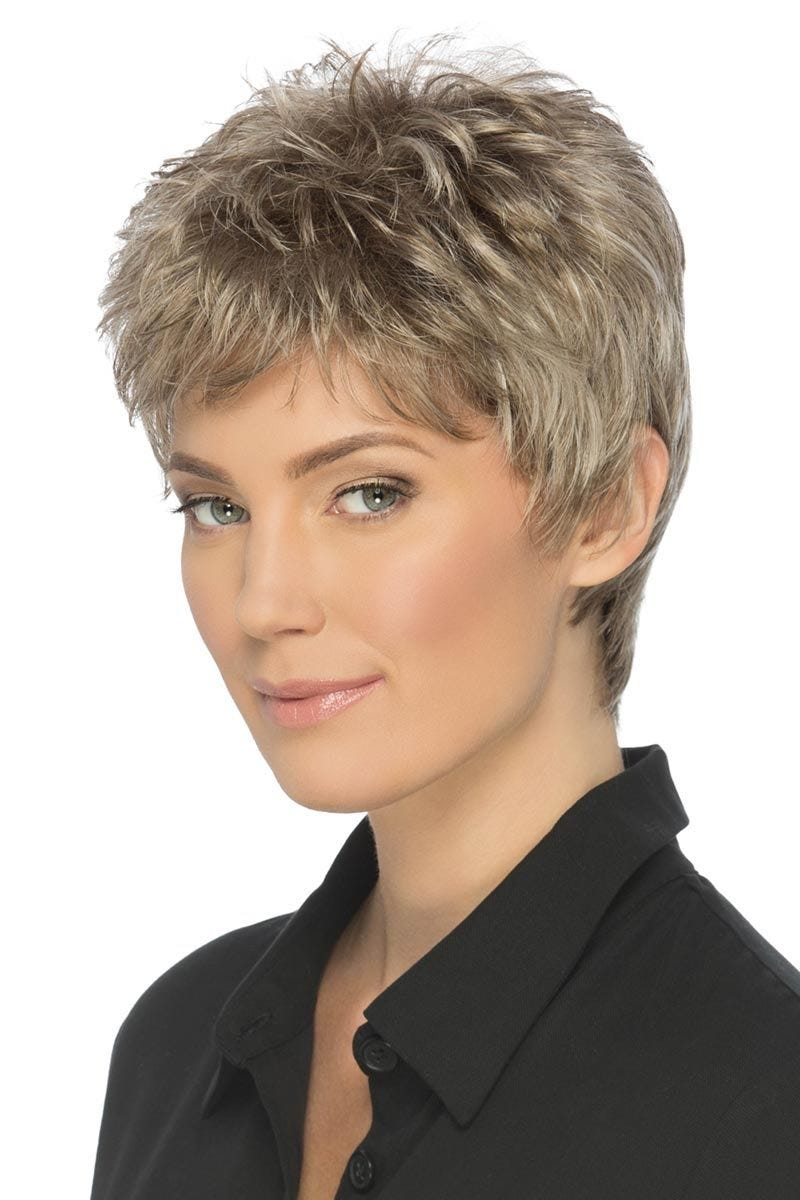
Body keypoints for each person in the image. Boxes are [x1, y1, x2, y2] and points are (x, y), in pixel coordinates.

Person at [89, 30, 800, 1200]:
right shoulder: (177, 1049)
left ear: (603, 506)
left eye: (369, 493)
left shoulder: (761, 1108)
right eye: (215, 506)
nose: (264, 602)